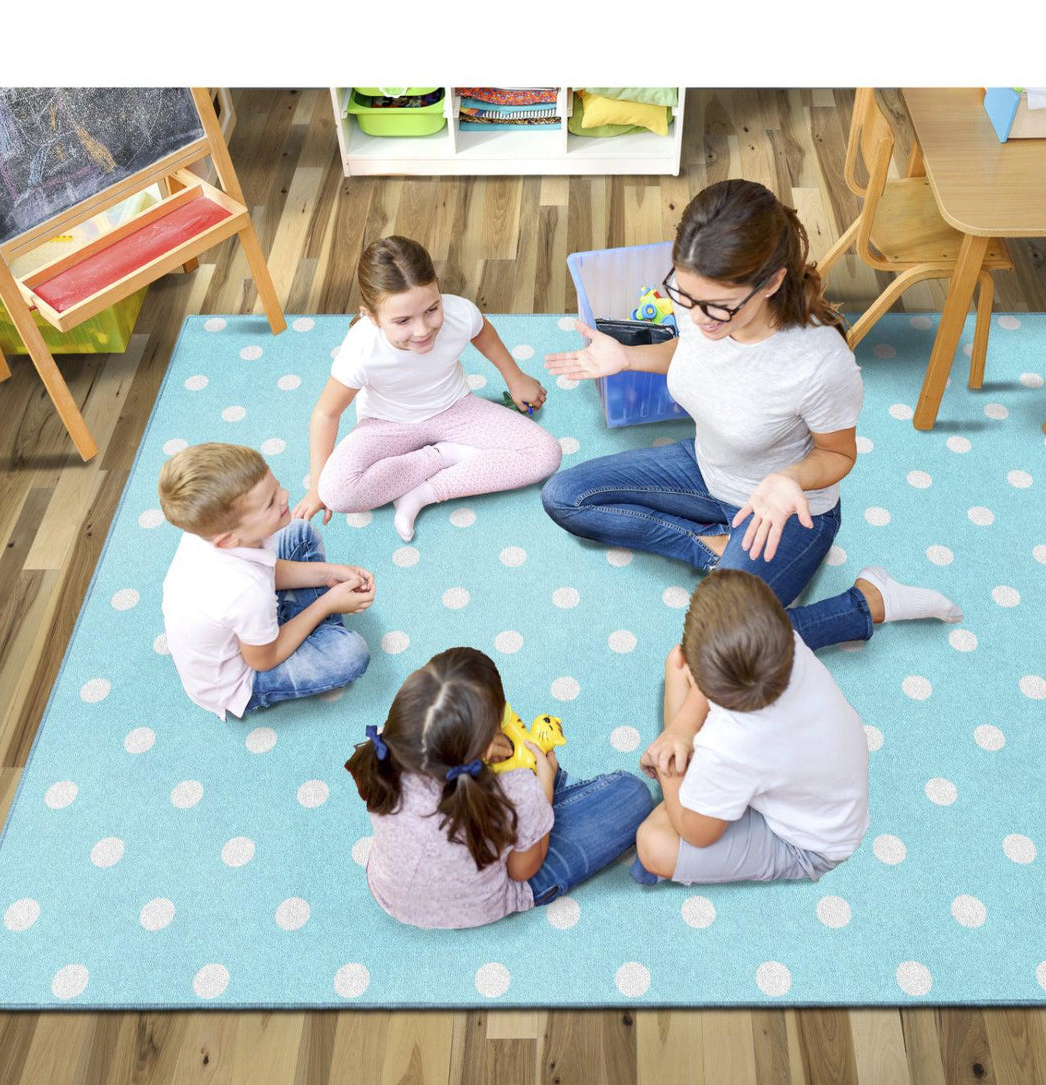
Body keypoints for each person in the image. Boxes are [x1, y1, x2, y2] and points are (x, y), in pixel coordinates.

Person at [542, 178, 963, 655]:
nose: (697, 317)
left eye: (717, 307)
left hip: (786, 508)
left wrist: (789, 479)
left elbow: (839, 453)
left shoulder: (819, 362)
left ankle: (869, 601)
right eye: (685, 295)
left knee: (721, 647)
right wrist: (629, 357)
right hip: (707, 469)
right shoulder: (701, 298)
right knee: (566, 497)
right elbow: (696, 352)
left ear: (772, 283)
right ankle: (715, 548)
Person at [347, 646, 653, 929]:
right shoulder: (517, 790)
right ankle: (551, 797)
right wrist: (543, 789)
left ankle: (547, 802)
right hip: (486, 899)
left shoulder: (385, 754)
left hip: (391, 892)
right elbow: (523, 870)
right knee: (632, 793)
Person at [292, 235, 562, 541]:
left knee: (546, 453)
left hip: (456, 409)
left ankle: (423, 493)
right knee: (336, 493)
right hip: (386, 424)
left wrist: (516, 378)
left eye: (432, 310)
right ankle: (440, 457)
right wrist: (315, 488)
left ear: (438, 290)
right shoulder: (361, 348)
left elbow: (482, 332)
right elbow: (326, 413)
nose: (422, 330)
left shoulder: (458, 312)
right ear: (371, 316)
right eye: (403, 321)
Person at [633, 569, 869, 887]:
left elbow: (697, 833)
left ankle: (691, 778)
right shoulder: (785, 642)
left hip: (810, 843)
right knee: (678, 662)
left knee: (654, 843)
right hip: (823, 792)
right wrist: (683, 727)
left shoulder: (731, 746)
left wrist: (667, 767)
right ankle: (706, 785)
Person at [158, 442, 373, 719]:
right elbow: (264, 660)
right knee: (350, 654)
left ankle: (302, 626)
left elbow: (264, 569)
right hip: (245, 675)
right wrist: (328, 604)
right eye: (270, 503)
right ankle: (313, 627)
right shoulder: (245, 591)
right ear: (228, 539)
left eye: (276, 487)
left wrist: (327, 573)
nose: (285, 496)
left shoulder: (207, 536)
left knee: (300, 533)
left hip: (247, 620)